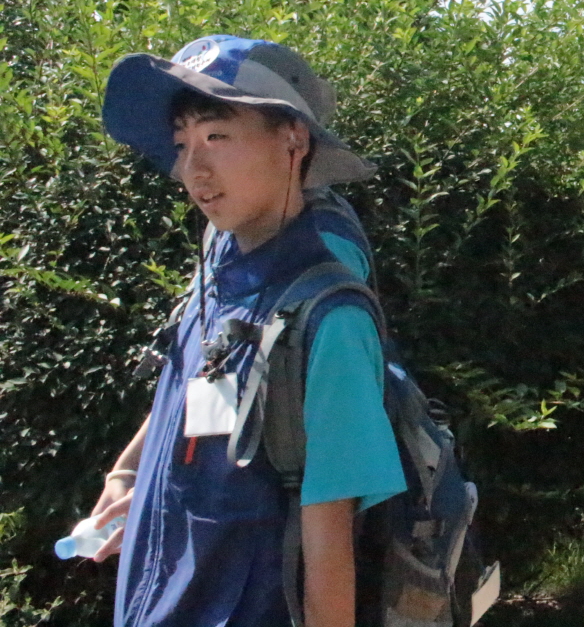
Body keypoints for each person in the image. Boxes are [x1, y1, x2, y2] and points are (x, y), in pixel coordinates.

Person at [91, 36, 404, 627]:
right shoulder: (224, 254)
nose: (193, 170)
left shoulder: (327, 317)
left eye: (217, 137)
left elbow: (329, 550)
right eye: (182, 144)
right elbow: (192, 384)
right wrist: (128, 473)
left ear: (292, 139)